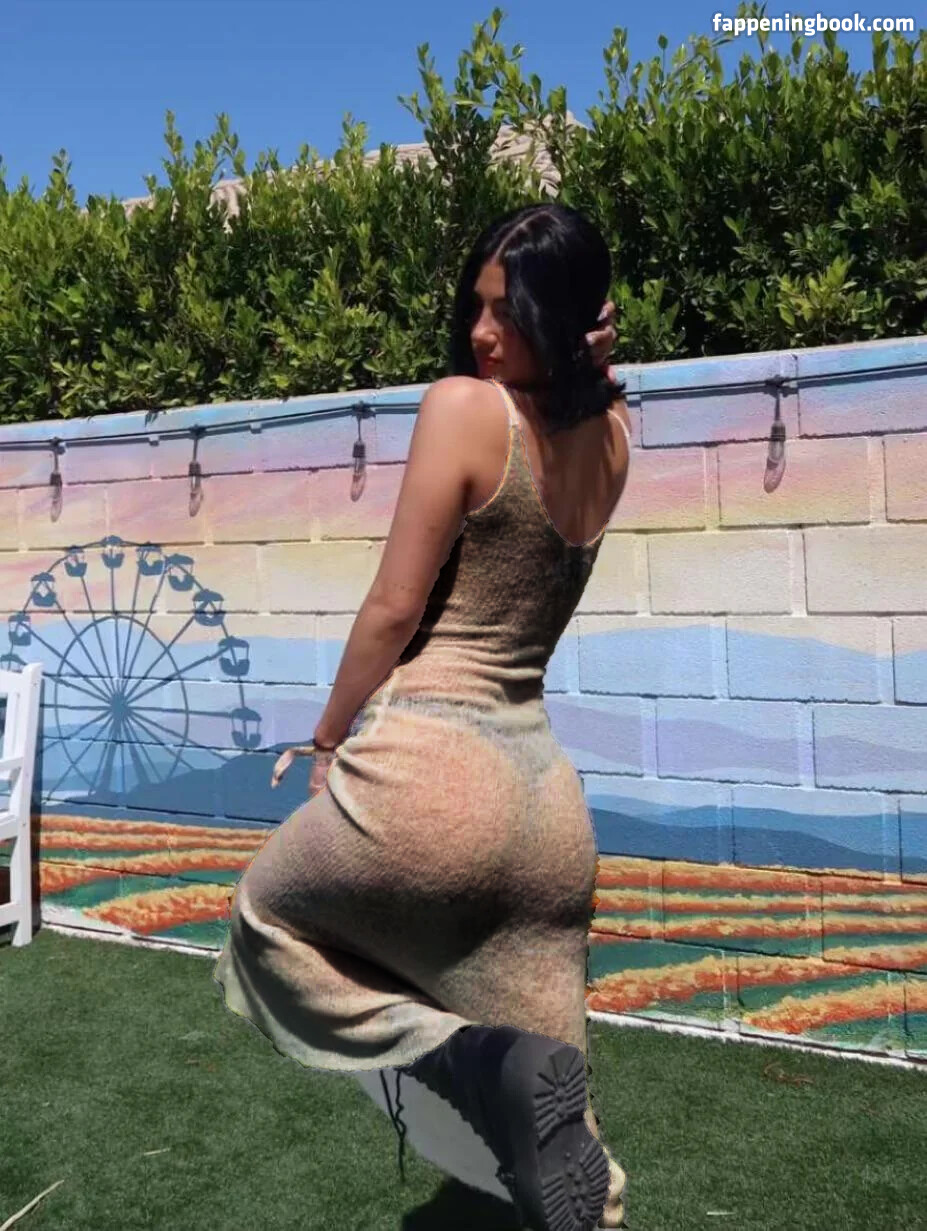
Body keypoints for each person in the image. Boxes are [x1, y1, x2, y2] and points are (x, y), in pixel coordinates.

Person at [213, 201, 632, 1231]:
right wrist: (588, 362)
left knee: (264, 923)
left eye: (511, 311)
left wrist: (325, 737)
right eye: (477, 307)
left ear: (562, 315)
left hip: (430, 773)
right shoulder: (617, 439)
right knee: (568, 1149)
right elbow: (591, 403)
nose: (482, 333)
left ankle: (470, 1061)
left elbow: (395, 606)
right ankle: (536, 1117)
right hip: (547, 815)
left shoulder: (464, 408)